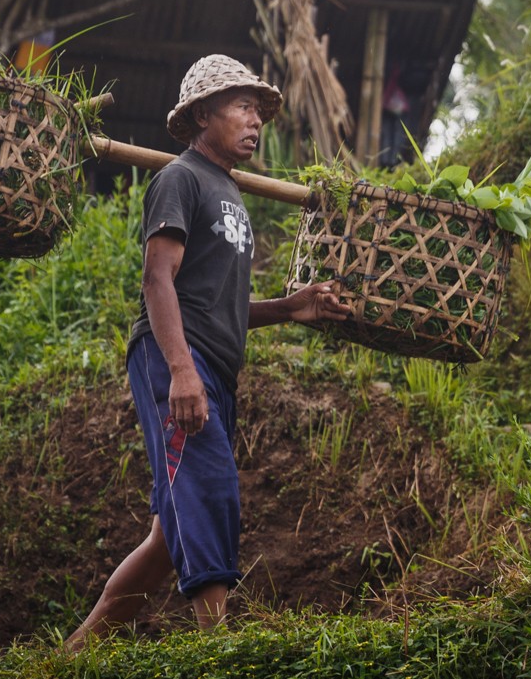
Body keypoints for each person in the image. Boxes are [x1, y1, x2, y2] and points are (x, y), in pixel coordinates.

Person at [65, 55, 351, 651]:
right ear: (202, 114)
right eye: (242, 107)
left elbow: (216, 301)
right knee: (209, 488)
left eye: (258, 110)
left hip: (213, 365)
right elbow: (158, 281)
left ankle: (71, 657)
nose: (255, 121)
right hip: (176, 358)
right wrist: (181, 371)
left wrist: (290, 306)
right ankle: (222, 650)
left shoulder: (230, 191)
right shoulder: (182, 178)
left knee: (169, 538)